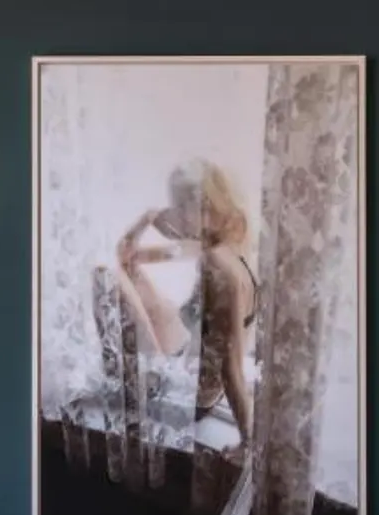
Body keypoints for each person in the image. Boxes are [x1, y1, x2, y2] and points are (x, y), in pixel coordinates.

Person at [93, 158, 259, 450]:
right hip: (188, 360)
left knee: (104, 277)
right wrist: (146, 218)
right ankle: (132, 370)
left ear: (204, 206)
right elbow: (130, 256)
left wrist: (248, 442)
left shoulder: (220, 270)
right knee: (127, 276)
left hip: (189, 395)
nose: (174, 215)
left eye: (181, 206)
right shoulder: (223, 240)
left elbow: (230, 367)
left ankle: (130, 381)